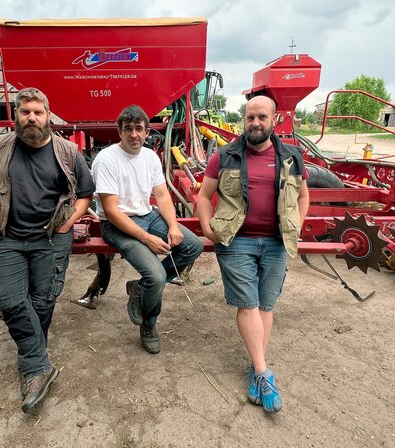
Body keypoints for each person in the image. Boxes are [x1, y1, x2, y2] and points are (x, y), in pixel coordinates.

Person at [0, 87, 95, 413]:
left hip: (51, 238)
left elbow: (86, 193)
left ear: (48, 116)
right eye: (25, 112)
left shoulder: (68, 152)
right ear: (16, 115)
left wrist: (68, 223)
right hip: (9, 238)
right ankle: (38, 365)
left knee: (43, 302)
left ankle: (31, 362)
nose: (31, 118)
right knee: (12, 302)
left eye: (38, 112)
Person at [195, 96, 310, 414]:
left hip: (276, 241)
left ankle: (256, 367)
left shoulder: (292, 156)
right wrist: (206, 225)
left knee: (266, 306)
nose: (255, 123)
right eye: (249, 117)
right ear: (243, 120)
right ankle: (263, 372)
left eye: (261, 117)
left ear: (274, 120)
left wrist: (296, 224)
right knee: (249, 304)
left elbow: (303, 196)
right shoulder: (225, 156)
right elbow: (204, 196)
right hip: (237, 241)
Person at [92, 105, 203, 354]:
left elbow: (162, 196)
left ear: (147, 132)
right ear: (119, 131)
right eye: (128, 129)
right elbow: (111, 211)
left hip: (148, 215)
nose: (134, 134)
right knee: (156, 275)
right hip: (117, 224)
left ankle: (141, 288)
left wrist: (173, 226)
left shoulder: (150, 156)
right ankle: (149, 325)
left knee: (192, 246)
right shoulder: (107, 159)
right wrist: (147, 239)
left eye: (139, 129)